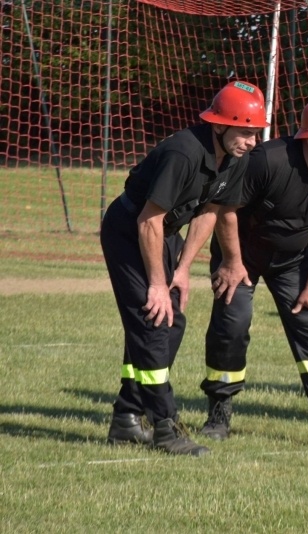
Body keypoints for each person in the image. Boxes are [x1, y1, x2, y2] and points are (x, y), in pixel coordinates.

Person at [101, 81, 267, 456]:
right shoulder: (183, 152)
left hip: (166, 232)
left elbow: (210, 211)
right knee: (154, 319)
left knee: (172, 322)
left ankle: (127, 418)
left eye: (256, 133)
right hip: (131, 230)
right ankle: (165, 426)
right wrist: (157, 285)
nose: (252, 141)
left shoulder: (236, 158)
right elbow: (148, 220)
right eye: (245, 132)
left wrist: (182, 271)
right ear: (219, 126)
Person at [200, 93, 308, 448]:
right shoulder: (269, 160)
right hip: (241, 253)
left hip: (293, 259)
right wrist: (231, 263)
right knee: (233, 321)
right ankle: (219, 411)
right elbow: (224, 209)